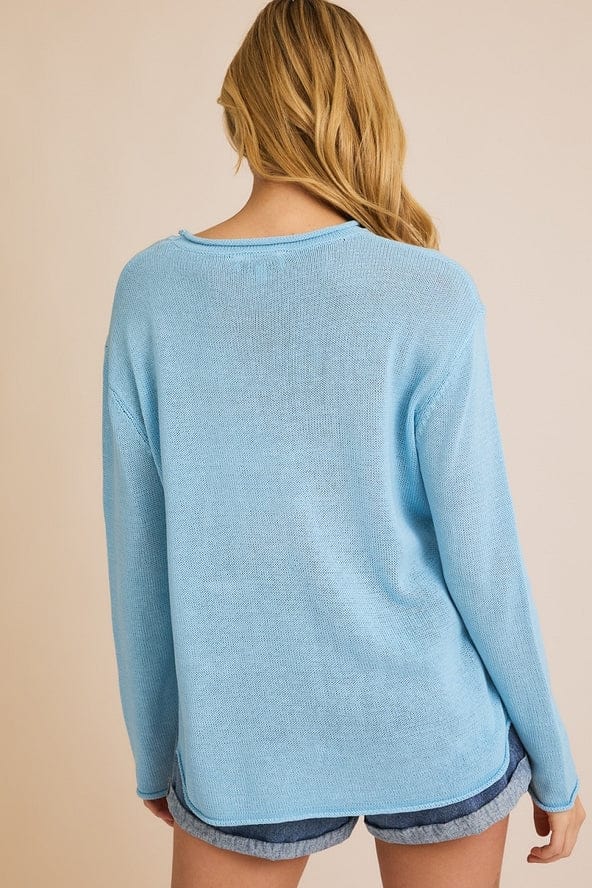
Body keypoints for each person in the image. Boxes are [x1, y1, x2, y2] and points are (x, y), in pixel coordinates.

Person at [101, 2, 586, 886]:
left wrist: (156, 745)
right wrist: (554, 760)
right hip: (432, 725)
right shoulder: (429, 292)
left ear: (239, 112)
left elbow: (139, 550)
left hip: (244, 743)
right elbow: (483, 554)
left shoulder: (152, 294)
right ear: (366, 111)